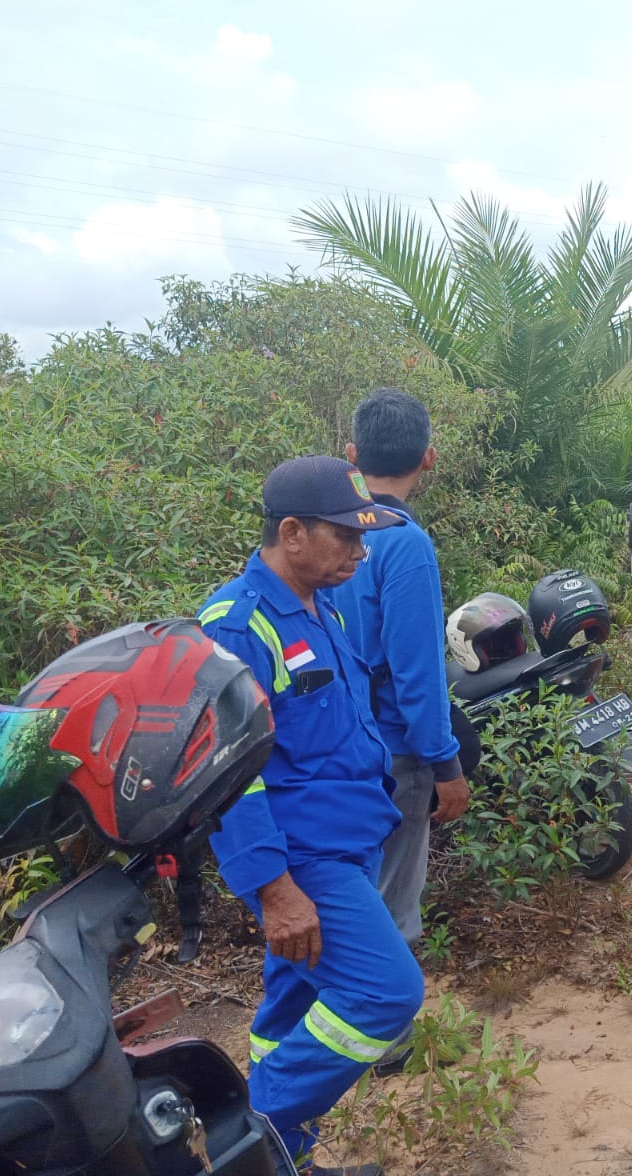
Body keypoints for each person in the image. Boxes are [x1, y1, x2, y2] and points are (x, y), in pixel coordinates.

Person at [198, 455, 424, 1175]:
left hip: (350, 840)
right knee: (386, 992)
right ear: (292, 533)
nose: (361, 551)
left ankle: (280, 1162)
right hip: (304, 860)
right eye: (345, 536)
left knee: (291, 1009)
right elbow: (226, 777)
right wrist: (274, 888)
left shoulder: (321, 606)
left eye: (364, 536)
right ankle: (246, 1137)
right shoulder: (236, 627)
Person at [332, 389, 468, 956]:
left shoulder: (321, 532)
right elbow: (417, 673)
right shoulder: (404, 544)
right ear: (428, 458)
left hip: (328, 744)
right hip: (392, 753)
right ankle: (382, 1009)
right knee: (390, 914)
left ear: (351, 454)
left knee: (344, 896)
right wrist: (445, 764)